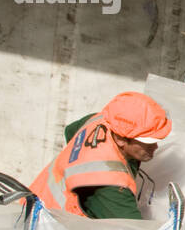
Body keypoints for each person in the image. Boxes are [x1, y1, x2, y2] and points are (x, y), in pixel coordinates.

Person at [29, 92, 171, 219]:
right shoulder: (111, 187)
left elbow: (71, 131)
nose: (155, 147)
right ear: (121, 139)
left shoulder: (102, 120)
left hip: (33, 204)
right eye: (148, 142)